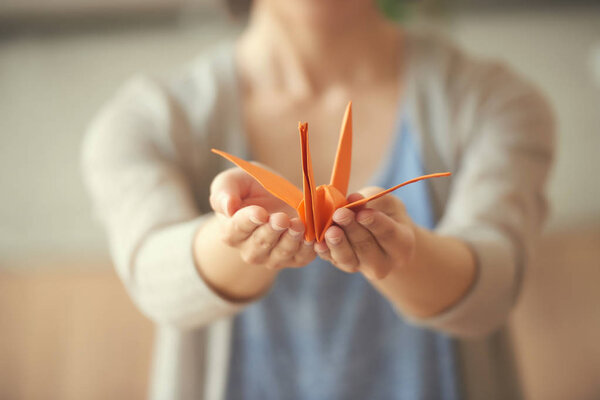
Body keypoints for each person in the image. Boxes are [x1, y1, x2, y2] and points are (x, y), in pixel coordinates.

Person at [82, 0, 555, 399]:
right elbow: (155, 276)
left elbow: (495, 283)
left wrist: (404, 252)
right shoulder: (145, 121)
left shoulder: (497, 103)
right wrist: (238, 235)